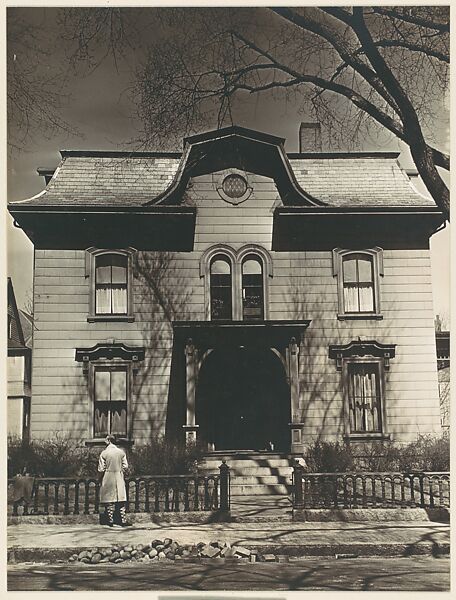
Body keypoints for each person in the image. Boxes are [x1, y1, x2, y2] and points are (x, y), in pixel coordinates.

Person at [98, 434, 132, 527]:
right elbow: (125, 466)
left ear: (109, 441)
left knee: (110, 499)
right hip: (119, 475)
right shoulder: (121, 452)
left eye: (106, 440)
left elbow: (101, 468)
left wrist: (99, 477)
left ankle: (110, 520)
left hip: (108, 475)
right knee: (120, 498)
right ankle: (123, 520)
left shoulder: (104, 453)